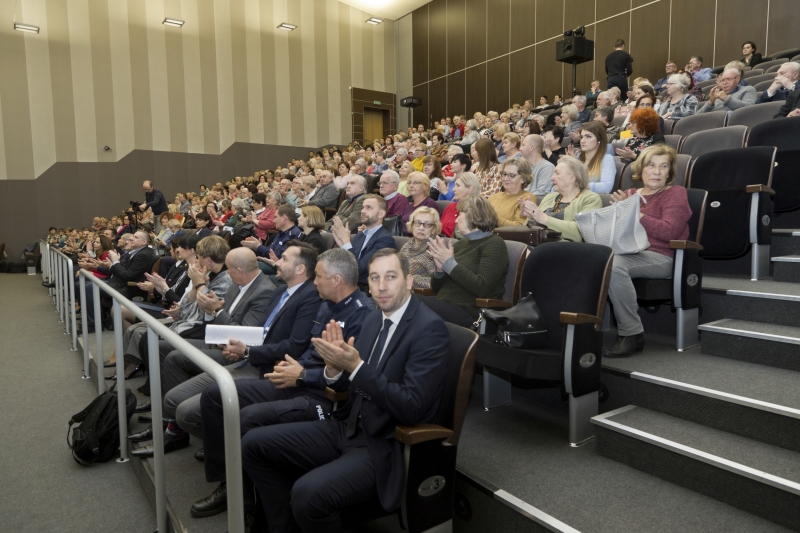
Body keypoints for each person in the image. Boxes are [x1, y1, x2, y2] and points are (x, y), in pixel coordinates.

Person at [241, 248, 450, 533]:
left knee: (307, 494)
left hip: (383, 444)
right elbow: (345, 383)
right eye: (375, 278)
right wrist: (334, 368)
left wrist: (356, 367)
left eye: (391, 277)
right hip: (346, 425)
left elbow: (411, 407)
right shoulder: (375, 318)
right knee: (253, 444)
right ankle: (284, 527)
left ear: (409, 281)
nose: (382, 286)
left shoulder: (429, 329)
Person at [192, 248, 375, 522]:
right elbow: (308, 350)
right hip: (297, 380)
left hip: (322, 396)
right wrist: (292, 367)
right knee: (215, 395)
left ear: (336, 280)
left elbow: (350, 377)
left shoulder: (365, 316)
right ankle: (231, 485)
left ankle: (260, 509)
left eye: (320, 277)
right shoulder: (326, 304)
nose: (314, 282)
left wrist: (301, 374)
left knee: (247, 419)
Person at [129, 245, 284, 457]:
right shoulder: (237, 284)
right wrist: (211, 309)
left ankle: (175, 431)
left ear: (239, 271)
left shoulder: (264, 291)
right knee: (162, 347)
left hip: (236, 352)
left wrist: (215, 309)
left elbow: (242, 334)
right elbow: (217, 317)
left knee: (175, 355)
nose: (226, 273)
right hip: (219, 341)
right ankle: (170, 423)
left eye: (229, 269)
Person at [604, 145, 692, 358]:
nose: (657, 171)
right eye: (651, 165)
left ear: (670, 172)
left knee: (614, 266)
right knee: (596, 260)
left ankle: (631, 334)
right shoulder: (629, 194)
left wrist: (634, 212)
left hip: (663, 256)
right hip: (628, 253)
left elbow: (669, 231)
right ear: (641, 168)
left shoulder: (675, 194)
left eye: (664, 166)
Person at [417, 195, 507, 328]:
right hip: (444, 305)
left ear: (474, 216)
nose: (456, 219)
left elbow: (482, 287)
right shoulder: (461, 244)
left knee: (407, 302)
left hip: (469, 312)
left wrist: (450, 264)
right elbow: (436, 288)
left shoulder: (494, 244)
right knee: (400, 301)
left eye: (460, 214)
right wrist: (440, 270)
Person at [520, 156, 603, 243]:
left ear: (572, 178)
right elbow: (529, 233)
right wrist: (532, 217)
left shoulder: (591, 199)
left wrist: (544, 219)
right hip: (538, 244)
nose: (551, 178)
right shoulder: (550, 197)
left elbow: (582, 233)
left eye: (557, 173)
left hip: (566, 249)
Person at [331, 194, 395, 286]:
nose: (362, 211)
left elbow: (359, 269)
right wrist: (343, 246)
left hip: (367, 290)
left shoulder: (385, 240)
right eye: (363, 207)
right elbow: (347, 266)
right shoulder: (359, 236)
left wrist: (346, 242)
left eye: (368, 208)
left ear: (381, 214)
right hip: (350, 285)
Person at [242, 204, 303, 277]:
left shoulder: (293, 235)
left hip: (279, 270)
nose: (274, 220)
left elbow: (279, 259)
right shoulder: (281, 232)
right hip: (270, 265)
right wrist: (257, 245)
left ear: (284, 218)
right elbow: (270, 251)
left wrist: (258, 246)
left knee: (248, 266)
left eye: (275, 217)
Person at [489, 159, 537, 227]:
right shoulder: (492, 198)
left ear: (523, 179)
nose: (505, 178)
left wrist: (493, 218)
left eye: (511, 175)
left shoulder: (526, 198)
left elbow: (519, 226)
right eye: (504, 174)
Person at [401, 207, 439, 289]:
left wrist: (408, 279)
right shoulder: (408, 245)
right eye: (418, 223)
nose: (421, 228)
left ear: (434, 229)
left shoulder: (434, 250)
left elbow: (435, 283)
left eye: (428, 224)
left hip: (417, 296)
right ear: (412, 225)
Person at [572, 121, 615, 193]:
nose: (582, 141)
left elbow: (606, 187)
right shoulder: (577, 158)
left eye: (588, 136)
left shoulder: (606, 159)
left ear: (599, 139)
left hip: (589, 201)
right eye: (581, 137)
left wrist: (577, 186)